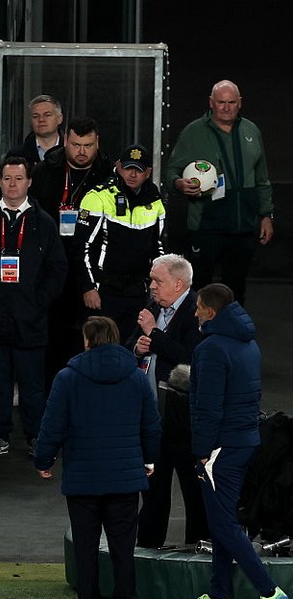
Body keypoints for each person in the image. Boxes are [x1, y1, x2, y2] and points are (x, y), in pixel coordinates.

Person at [35, 316, 161, 599]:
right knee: (123, 551)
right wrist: (149, 460)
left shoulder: (69, 378)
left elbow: (53, 425)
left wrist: (44, 459)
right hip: (124, 481)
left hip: (83, 481)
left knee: (86, 551)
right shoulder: (135, 377)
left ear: (88, 340)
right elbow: (151, 425)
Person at [179, 284, 288, 599]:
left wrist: (200, 450)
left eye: (198, 307)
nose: (195, 312)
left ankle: (269, 590)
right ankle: (217, 595)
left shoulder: (212, 348)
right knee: (221, 519)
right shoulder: (247, 342)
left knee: (223, 523)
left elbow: (208, 406)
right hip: (243, 440)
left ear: (210, 311)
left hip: (221, 446)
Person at [0, 156, 67, 458]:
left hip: (30, 320)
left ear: (29, 182)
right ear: (0, 182)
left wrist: (39, 301)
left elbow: (57, 269)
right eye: (7, 178)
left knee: (33, 387)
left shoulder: (43, 223)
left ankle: (36, 438)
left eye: (18, 179)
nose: (12, 184)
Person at [164, 80, 273, 305]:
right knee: (200, 289)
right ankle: (196, 336)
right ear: (211, 103)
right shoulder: (194, 132)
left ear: (240, 103)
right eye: (221, 102)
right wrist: (179, 184)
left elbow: (262, 178)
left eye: (231, 102)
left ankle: (231, 337)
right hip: (206, 226)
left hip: (243, 226)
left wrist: (266, 215)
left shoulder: (251, 130)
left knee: (236, 290)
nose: (226, 108)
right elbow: (171, 172)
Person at [126, 255, 205, 548]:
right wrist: (137, 347)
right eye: (151, 280)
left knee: (193, 493)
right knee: (152, 492)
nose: (152, 286)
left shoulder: (197, 311)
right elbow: (129, 345)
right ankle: (147, 552)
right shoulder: (151, 308)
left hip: (183, 420)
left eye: (158, 281)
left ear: (179, 283)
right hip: (152, 418)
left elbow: (190, 359)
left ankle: (198, 555)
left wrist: (155, 336)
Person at [29, 116, 111, 386]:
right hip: (51, 267)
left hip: (91, 269)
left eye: (88, 145)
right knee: (53, 339)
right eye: (75, 144)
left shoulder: (110, 175)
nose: (81, 151)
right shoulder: (44, 171)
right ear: (65, 140)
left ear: (97, 142)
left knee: (91, 337)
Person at [77, 143, 165, 344]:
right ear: (117, 166)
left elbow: (158, 248)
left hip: (138, 292)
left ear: (148, 172)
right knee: (99, 348)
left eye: (139, 169)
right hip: (104, 291)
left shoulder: (156, 201)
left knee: (132, 348)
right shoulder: (97, 196)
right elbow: (82, 247)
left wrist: (157, 287)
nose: (132, 174)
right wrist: (88, 287)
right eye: (127, 167)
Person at [9, 94, 64, 165]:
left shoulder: (71, 153)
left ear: (59, 118)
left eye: (47, 115)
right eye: (35, 116)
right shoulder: (16, 156)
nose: (41, 119)